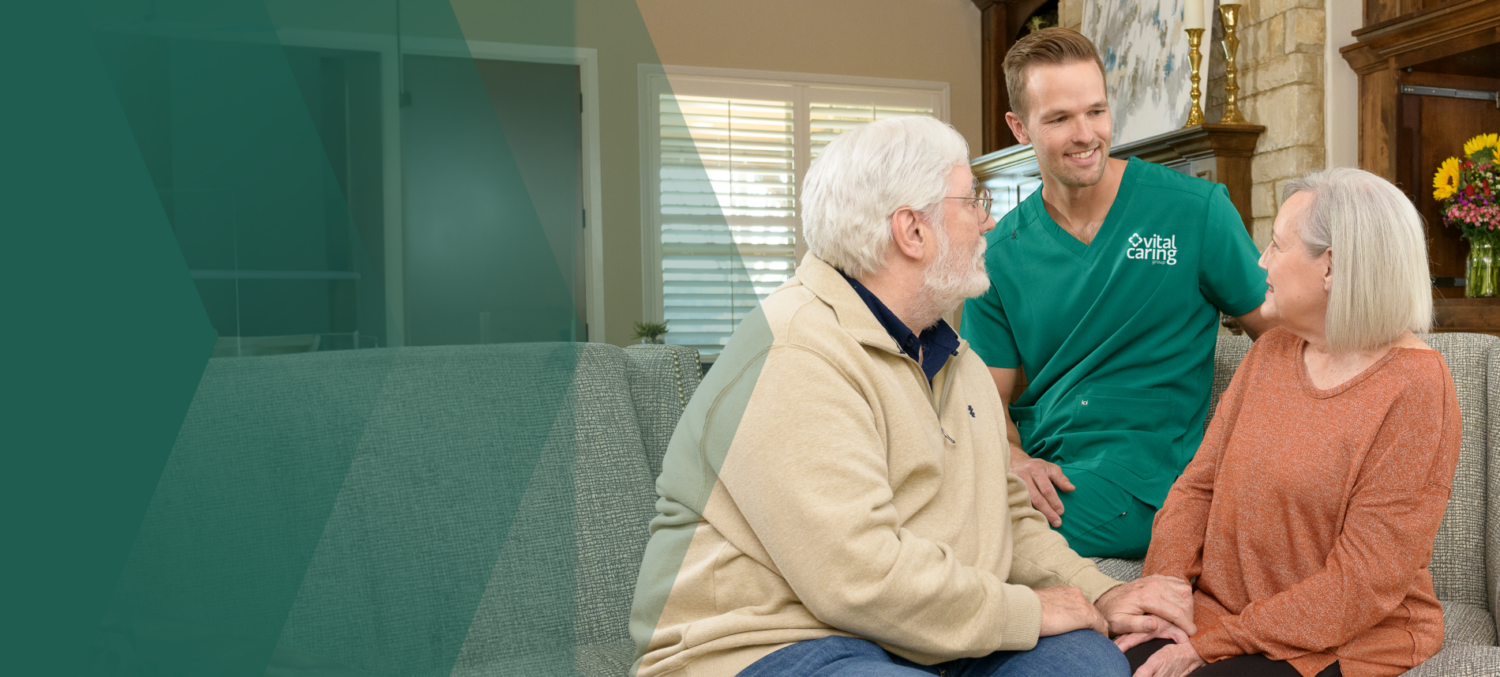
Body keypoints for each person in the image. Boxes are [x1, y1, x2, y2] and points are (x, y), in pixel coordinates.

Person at [627, 116, 1195, 677]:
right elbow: (857, 579)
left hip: (927, 634)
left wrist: (1097, 593)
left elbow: (1005, 519)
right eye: (972, 201)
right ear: (912, 231)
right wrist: (1027, 611)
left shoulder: (956, 359)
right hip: (774, 641)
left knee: (1087, 666)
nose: (989, 221)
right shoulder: (793, 353)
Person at [1118, 168, 1460, 677]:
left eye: (1277, 245)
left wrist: (1212, 644)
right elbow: (1197, 488)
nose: (1262, 260)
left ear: (1332, 266)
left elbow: (1360, 585)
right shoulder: (1272, 350)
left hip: (1338, 637)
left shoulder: (1417, 387)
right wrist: (1163, 595)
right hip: (1222, 616)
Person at [960, 28, 1275, 558]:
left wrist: (1261, 459)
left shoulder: (1195, 211)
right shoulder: (998, 252)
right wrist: (1013, 457)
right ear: (1019, 127)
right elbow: (984, 402)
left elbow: (1287, 337)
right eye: (1059, 119)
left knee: (962, 536)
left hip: (1151, 481)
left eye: (1097, 111)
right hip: (1051, 475)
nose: (1085, 135)